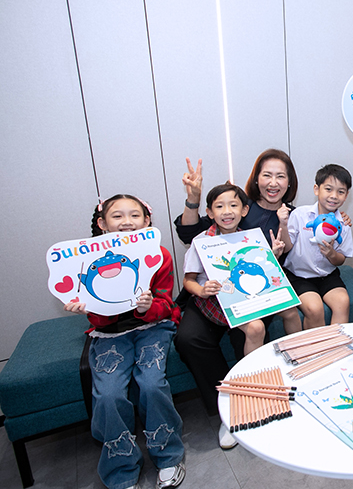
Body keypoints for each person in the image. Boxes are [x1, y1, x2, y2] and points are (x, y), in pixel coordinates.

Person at [173, 151, 301, 449]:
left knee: (257, 327)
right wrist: (200, 290)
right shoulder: (205, 237)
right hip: (208, 301)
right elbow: (189, 272)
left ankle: (259, 393)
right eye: (220, 207)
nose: (227, 211)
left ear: (243, 210)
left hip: (244, 299)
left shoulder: (255, 234)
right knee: (189, 339)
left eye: (280, 176)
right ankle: (229, 406)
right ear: (210, 211)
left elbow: (269, 268)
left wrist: (274, 256)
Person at [65, 195, 185, 489]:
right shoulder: (87, 261)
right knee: (108, 394)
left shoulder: (159, 255)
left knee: (152, 384)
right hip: (110, 333)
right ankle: (121, 469)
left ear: (147, 221)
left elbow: (166, 305)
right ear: (102, 223)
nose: (127, 222)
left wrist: (148, 307)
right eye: (117, 216)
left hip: (153, 327)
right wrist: (88, 307)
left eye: (135, 215)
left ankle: (168, 455)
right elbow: (98, 319)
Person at [283, 164, 353, 329]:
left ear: (346, 196)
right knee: (315, 308)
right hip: (299, 276)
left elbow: (341, 260)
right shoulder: (300, 215)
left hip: (327, 275)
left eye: (340, 192)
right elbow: (287, 247)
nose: (334, 196)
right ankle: (318, 344)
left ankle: (337, 342)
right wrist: (283, 224)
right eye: (328, 189)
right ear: (317, 189)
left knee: (343, 302)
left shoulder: (343, 224)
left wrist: (331, 253)